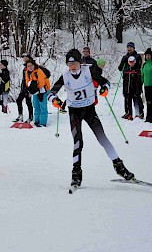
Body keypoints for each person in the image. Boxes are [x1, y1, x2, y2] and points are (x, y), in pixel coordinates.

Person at [48, 49, 135, 188]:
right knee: (78, 142)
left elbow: (105, 82)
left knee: (102, 138)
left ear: (80, 62)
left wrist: (104, 89)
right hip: (74, 112)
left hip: (89, 110)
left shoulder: (89, 71)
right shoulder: (65, 76)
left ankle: (120, 168)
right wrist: (54, 100)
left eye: (75, 63)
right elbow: (51, 92)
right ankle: (76, 175)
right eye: (69, 63)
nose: (72, 66)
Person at [118, 42, 143, 118]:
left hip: (135, 80)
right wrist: (124, 61)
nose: (129, 49)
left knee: (136, 96)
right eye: (128, 47)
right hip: (126, 79)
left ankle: (139, 113)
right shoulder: (125, 57)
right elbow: (120, 68)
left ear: (133, 48)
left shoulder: (137, 56)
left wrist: (133, 64)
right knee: (127, 96)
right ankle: (128, 112)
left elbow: (139, 66)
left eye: (130, 47)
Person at [25, 59, 50, 127]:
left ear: (34, 65)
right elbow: (27, 82)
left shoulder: (39, 71)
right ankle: (37, 120)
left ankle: (42, 122)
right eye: (28, 66)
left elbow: (41, 83)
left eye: (31, 65)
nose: (30, 67)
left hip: (43, 90)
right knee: (36, 105)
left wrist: (35, 88)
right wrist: (30, 89)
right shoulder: (27, 72)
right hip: (35, 91)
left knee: (43, 106)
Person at [13, 53, 34, 123]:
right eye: (23, 58)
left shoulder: (31, 66)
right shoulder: (25, 67)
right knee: (19, 100)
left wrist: (30, 89)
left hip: (29, 88)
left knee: (28, 102)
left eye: (26, 57)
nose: (24, 59)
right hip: (24, 88)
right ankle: (20, 115)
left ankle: (30, 117)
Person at [122, 56, 144, 120]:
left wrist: (139, 89)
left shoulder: (137, 69)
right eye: (130, 62)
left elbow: (139, 81)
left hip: (135, 89)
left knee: (138, 101)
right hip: (128, 89)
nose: (131, 63)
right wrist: (125, 90)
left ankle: (140, 113)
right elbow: (125, 81)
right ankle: (129, 114)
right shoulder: (126, 69)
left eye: (132, 62)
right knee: (128, 101)